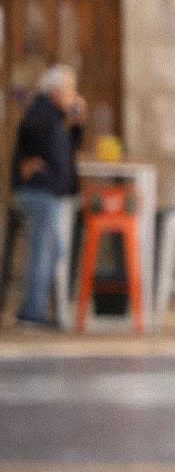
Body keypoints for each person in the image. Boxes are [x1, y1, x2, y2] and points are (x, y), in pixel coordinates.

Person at [10, 65, 83, 328]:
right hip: (38, 193)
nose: (74, 96)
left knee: (53, 249)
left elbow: (70, 148)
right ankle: (32, 311)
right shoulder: (42, 113)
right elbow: (30, 137)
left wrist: (75, 123)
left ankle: (35, 307)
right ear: (56, 92)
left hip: (49, 192)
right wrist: (30, 163)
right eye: (70, 90)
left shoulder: (55, 116)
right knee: (45, 250)